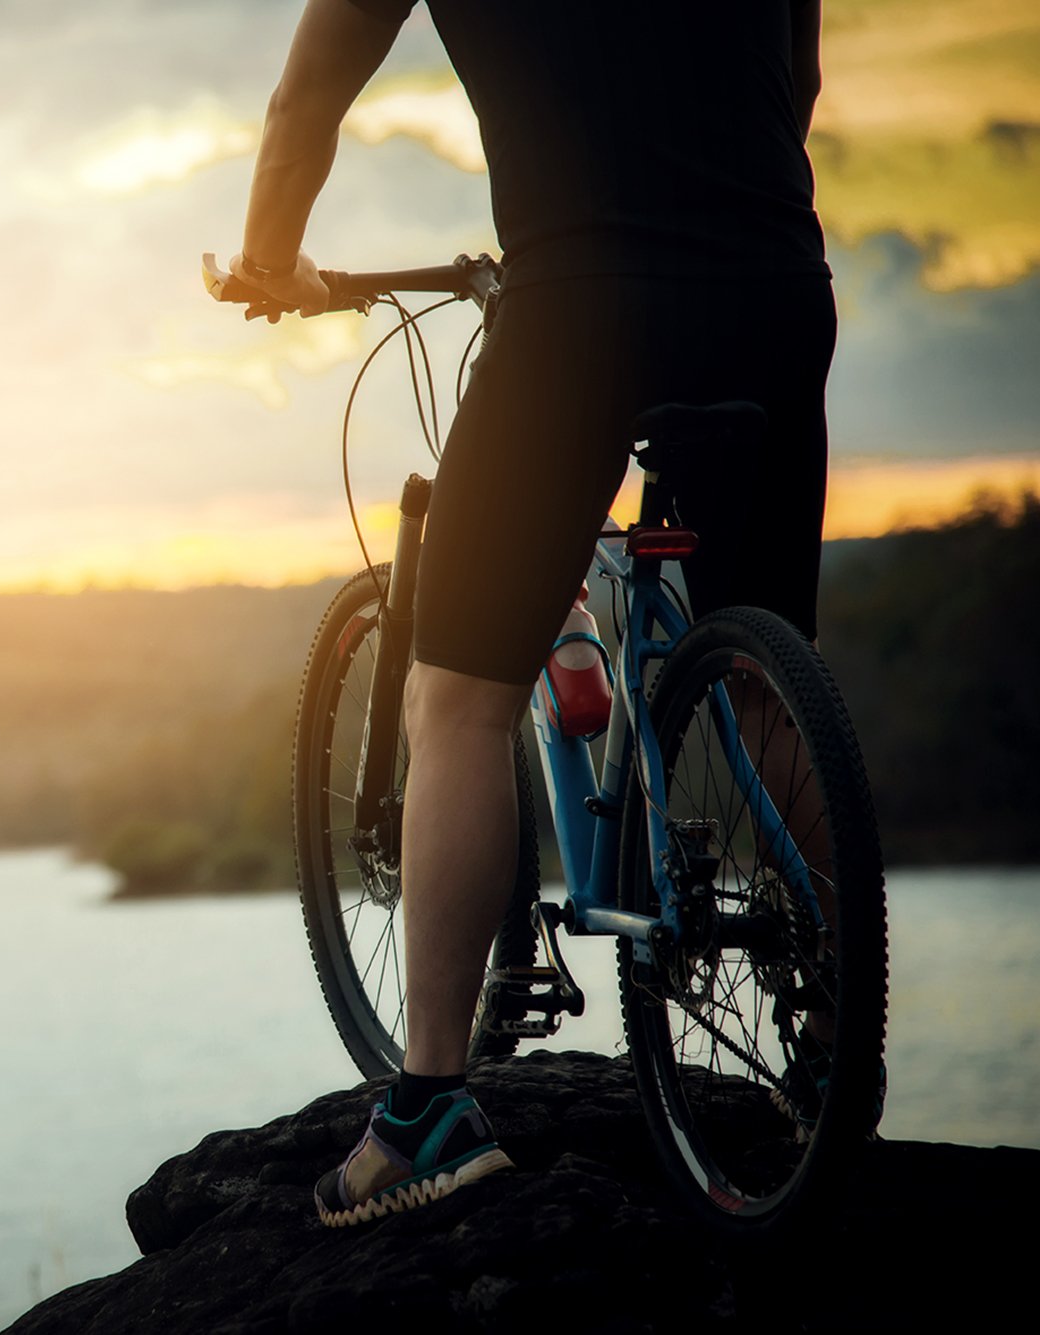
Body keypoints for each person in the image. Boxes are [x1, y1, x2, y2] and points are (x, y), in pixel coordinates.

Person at [226, 0, 833, 1226]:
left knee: (453, 698)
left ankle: (426, 1113)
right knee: (770, 685)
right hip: (774, 282)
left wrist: (266, 258)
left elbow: (302, 106)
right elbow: (798, 74)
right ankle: (835, 1018)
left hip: (581, 304)